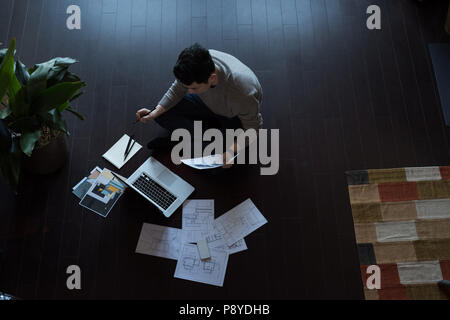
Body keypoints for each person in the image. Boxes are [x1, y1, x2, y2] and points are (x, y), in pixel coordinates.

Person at [136, 43, 263, 169]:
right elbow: (178, 89)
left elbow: (253, 129)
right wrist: (155, 112)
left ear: (212, 78)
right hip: (208, 103)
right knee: (160, 111)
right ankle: (194, 140)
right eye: (188, 87)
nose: (189, 92)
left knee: (218, 159)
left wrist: (231, 151)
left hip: (233, 116)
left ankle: (182, 141)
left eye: (194, 88)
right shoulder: (198, 66)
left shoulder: (242, 92)